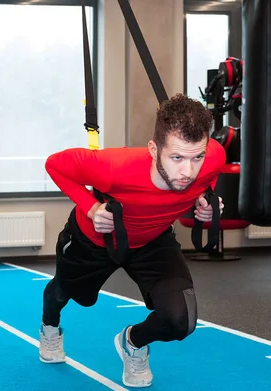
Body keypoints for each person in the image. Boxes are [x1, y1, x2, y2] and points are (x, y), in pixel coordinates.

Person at [39, 93, 226, 388]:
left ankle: (132, 342)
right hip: (93, 241)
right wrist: (91, 207)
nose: (188, 171)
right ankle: (49, 325)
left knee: (182, 319)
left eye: (196, 157)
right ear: (154, 149)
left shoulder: (213, 156)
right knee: (63, 292)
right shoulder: (112, 167)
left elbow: (208, 176)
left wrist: (204, 200)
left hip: (153, 240)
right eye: (176, 157)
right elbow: (54, 165)